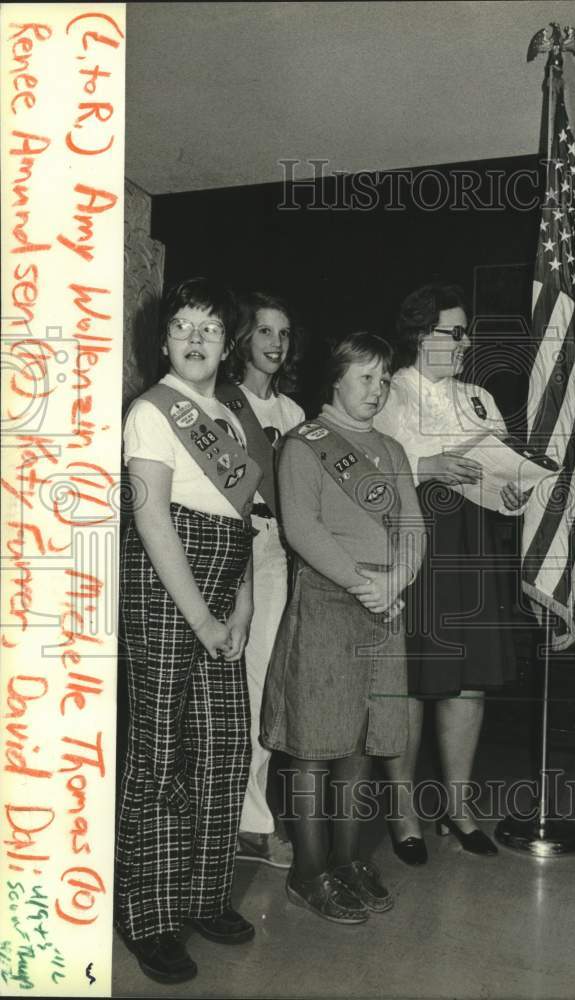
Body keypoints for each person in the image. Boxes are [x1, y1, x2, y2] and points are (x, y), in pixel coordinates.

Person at [115, 278, 260, 984]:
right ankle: (149, 917)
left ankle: (202, 895)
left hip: (222, 584)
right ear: (164, 340)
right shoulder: (150, 411)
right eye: (183, 326)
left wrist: (241, 607)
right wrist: (200, 615)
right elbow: (151, 519)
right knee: (161, 752)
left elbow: (243, 523)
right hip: (167, 585)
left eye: (209, 326)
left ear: (226, 343)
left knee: (225, 747)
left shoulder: (229, 418)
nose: (197, 338)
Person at [261, 332, 425, 923]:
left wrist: (396, 582)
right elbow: (302, 529)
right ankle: (308, 872)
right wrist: (367, 584)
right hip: (330, 599)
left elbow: (414, 529)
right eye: (366, 378)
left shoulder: (391, 450)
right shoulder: (305, 444)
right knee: (312, 745)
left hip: (384, 603)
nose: (377, 390)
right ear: (336, 379)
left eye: (384, 380)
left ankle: (348, 859)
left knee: (361, 740)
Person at [374, 283, 530, 865]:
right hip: (416, 545)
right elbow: (367, 466)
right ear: (420, 334)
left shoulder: (480, 397)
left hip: (474, 545)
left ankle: (459, 809)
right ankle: (404, 812)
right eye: (454, 331)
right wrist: (428, 465)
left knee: (469, 681)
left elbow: (501, 468)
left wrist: (512, 490)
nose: (465, 343)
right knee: (415, 680)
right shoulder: (389, 391)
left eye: (467, 332)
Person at [221, 292, 305, 869]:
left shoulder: (297, 414)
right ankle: (244, 819)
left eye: (284, 332)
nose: (275, 342)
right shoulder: (223, 404)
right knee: (245, 686)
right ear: (244, 338)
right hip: (237, 556)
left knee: (270, 685)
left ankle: (246, 815)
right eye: (265, 331)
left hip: (284, 555)